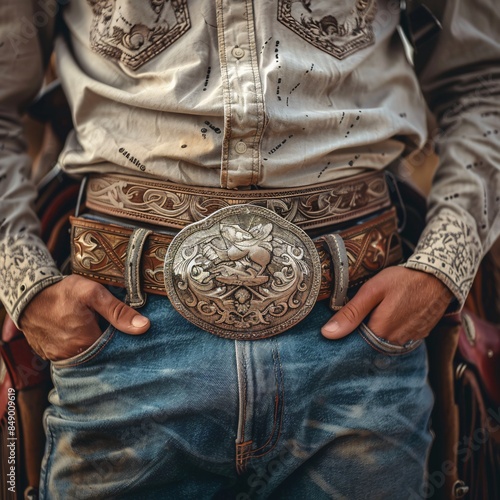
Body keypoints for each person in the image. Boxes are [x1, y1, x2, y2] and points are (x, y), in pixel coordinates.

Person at [0, 0, 498, 498]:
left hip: (363, 339)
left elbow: (484, 81)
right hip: (118, 338)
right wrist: (28, 283)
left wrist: (441, 266)